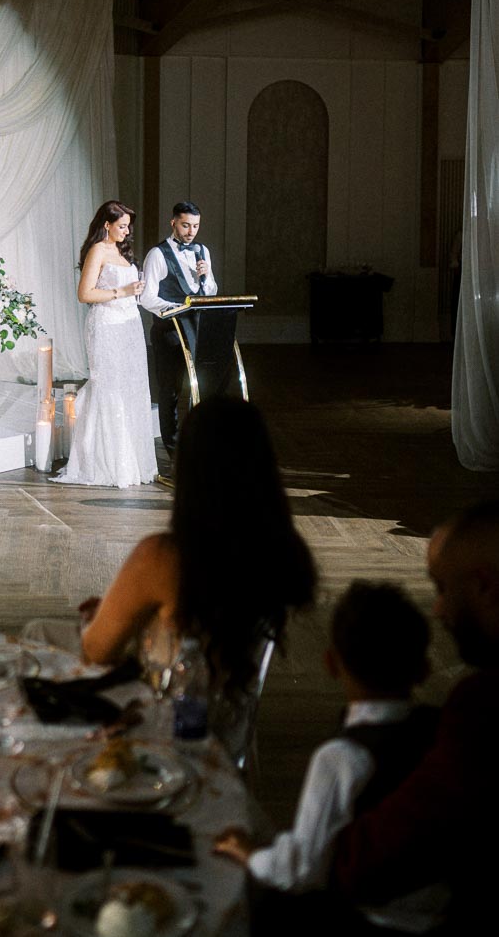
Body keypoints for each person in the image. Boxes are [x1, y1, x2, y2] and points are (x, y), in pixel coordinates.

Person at [80, 397, 316, 760]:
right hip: (230, 729)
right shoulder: (283, 553)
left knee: (38, 637)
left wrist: (106, 620)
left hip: (163, 733)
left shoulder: (164, 557)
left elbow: (96, 652)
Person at [214, 581, 448, 935]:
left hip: (364, 919)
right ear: (424, 669)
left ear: (330, 663)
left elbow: (304, 868)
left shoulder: (341, 758)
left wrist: (253, 855)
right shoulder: (441, 730)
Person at [334, 500, 499, 934]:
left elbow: (372, 859)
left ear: (486, 588)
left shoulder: (483, 709)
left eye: (443, 588)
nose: (438, 610)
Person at [55, 200, 157, 489]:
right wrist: (120, 291)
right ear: (106, 225)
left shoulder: (121, 252)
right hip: (106, 325)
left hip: (130, 326)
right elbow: (84, 293)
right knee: (109, 386)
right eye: (122, 226)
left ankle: (133, 461)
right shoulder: (98, 250)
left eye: (128, 227)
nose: (126, 232)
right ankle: (105, 463)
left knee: (131, 386)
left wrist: (135, 291)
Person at [140, 201, 218, 455]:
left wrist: (205, 278)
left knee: (199, 385)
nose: (191, 231)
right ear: (173, 222)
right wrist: (177, 308)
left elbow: (210, 292)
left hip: (197, 330)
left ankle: (196, 439)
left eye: (195, 226)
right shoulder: (157, 254)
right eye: (185, 225)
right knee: (170, 389)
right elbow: (147, 297)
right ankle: (172, 445)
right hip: (169, 332)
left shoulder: (202, 251)